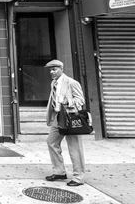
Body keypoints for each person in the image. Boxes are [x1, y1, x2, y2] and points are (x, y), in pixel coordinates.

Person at [43, 59, 86, 187]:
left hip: (70, 118)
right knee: (51, 141)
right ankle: (59, 171)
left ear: (61, 69)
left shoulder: (72, 83)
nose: (52, 72)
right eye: (50, 70)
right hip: (58, 117)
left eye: (54, 69)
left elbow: (80, 100)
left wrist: (67, 102)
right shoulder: (53, 83)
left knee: (75, 148)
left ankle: (79, 177)